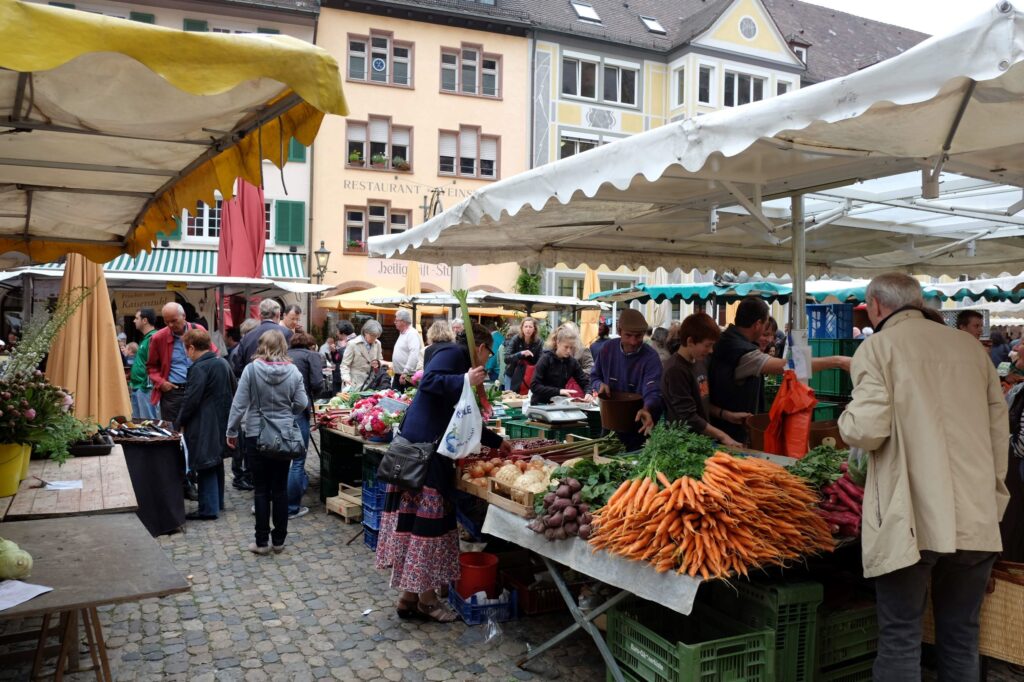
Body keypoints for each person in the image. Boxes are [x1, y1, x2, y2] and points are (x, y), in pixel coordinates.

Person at [837, 273, 1008, 682]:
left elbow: (865, 430)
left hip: (909, 516)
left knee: (900, 636)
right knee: (961, 638)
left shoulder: (878, 347)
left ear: (876, 306)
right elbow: (997, 435)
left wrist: (847, 414)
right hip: (976, 515)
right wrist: (994, 502)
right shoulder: (970, 348)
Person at [375, 323, 512, 622]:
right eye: (489, 352)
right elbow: (429, 382)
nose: (488, 359)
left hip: (422, 452)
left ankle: (408, 598)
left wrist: (498, 443)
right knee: (428, 529)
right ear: (480, 346)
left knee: (417, 527)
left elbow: (465, 419)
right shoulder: (453, 353)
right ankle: (426, 602)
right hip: (424, 455)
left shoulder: (454, 356)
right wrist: (465, 378)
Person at [708, 297, 850, 444]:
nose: (768, 337)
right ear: (758, 324)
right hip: (730, 435)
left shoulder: (726, 339)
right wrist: (837, 361)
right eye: (765, 326)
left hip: (724, 426)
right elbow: (790, 366)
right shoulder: (743, 352)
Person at [226, 331, 308, 555]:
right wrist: (286, 414)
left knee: (261, 490)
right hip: (283, 435)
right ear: (284, 346)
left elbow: (239, 404)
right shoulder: (293, 371)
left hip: (255, 433)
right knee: (279, 489)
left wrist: (231, 430)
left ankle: (261, 542)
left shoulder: (251, 370)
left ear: (261, 346)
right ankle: (279, 541)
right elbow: (302, 402)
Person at [661, 314, 748, 447]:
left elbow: (701, 401)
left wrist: (727, 415)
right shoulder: (676, 370)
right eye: (708, 345)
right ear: (690, 341)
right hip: (682, 445)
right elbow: (689, 417)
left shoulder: (699, 361)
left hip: (700, 442)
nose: (711, 350)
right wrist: (723, 437)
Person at [176, 329, 235, 520]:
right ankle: (217, 502)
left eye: (186, 349)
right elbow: (234, 389)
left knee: (206, 463)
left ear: (192, 348)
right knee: (215, 461)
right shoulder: (222, 362)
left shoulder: (200, 368)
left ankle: (208, 509)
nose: (186, 354)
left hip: (204, 423)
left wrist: (179, 422)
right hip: (221, 420)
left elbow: (191, 399)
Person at [591, 309, 662, 449]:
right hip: (610, 425)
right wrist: (599, 385)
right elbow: (594, 376)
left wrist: (647, 408)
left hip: (639, 426)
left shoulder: (651, 358)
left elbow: (653, 390)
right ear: (619, 330)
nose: (633, 341)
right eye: (628, 335)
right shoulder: (608, 349)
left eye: (638, 336)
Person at [146, 302, 216, 423]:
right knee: (173, 431)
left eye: (174, 320)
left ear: (183, 316)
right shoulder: (158, 338)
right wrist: (161, 383)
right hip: (174, 392)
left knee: (199, 427)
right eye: (166, 322)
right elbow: (151, 366)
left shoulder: (198, 330)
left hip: (199, 388)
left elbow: (212, 354)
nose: (171, 325)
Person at [286, 332, 324, 520]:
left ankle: (278, 500)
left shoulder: (284, 355)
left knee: (281, 457)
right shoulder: (312, 356)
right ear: (311, 345)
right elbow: (318, 383)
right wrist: (313, 396)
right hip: (299, 408)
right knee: (298, 459)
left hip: (278, 410)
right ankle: (292, 507)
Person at [230, 318, 261, 492]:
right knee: (241, 440)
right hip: (242, 397)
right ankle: (240, 476)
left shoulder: (240, 348)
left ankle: (245, 474)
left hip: (244, 396)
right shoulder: (240, 350)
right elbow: (237, 372)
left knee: (244, 439)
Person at [530, 326, 592, 404]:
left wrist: (589, 392)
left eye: (571, 347)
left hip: (558, 404)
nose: (569, 351)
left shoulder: (572, 362)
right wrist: (559, 391)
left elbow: (585, 381)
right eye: (566, 347)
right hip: (540, 403)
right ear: (558, 342)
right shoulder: (545, 359)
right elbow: (534, 386)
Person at [231, 299, 294, 377]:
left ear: (260, 316)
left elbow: (238, 367)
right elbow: (293, 359)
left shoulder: (247, 337)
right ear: (278, 315)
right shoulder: (287, 333)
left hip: (253, 382)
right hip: (282, 380)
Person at [129, 308, 159, 421]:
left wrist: (146, 384)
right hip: (138, 387)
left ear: (144, 320)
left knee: (148, 423)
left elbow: (155, 363)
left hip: (145, 388)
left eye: (137, 318)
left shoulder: (153, 338)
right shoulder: (147, 339)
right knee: (139, 424)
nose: (134, 321)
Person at [341, 319, 384, 391]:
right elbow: (345, 365)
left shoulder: (378, 343)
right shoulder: (353, 344)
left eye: (376, 336)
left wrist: (378, 363)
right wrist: (346, 378)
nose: (374, 338)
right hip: (354, 384)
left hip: (371, 384)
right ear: (365, 332)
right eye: (372, 335)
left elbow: (380, 360)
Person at [504, 316, 542, 393]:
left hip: (529, 375)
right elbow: (507, 358)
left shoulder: (538, 342)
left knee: (527, 399)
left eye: (530, 327)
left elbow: (540, 361)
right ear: (522, 328)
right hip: (512, 373)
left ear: (534, 329)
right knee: (510, 398)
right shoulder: (516, 339)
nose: (528, 329)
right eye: (526, 326)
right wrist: (520, 354)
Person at [391, 308, 423, 389]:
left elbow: (414, 354)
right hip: (400, 374)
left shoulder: (411, 334)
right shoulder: (403, 333)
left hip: (407, 376)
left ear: (403, 322)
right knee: (395, 397)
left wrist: (406, 372)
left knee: (405, 398)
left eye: (397, 320)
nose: (395, 322)